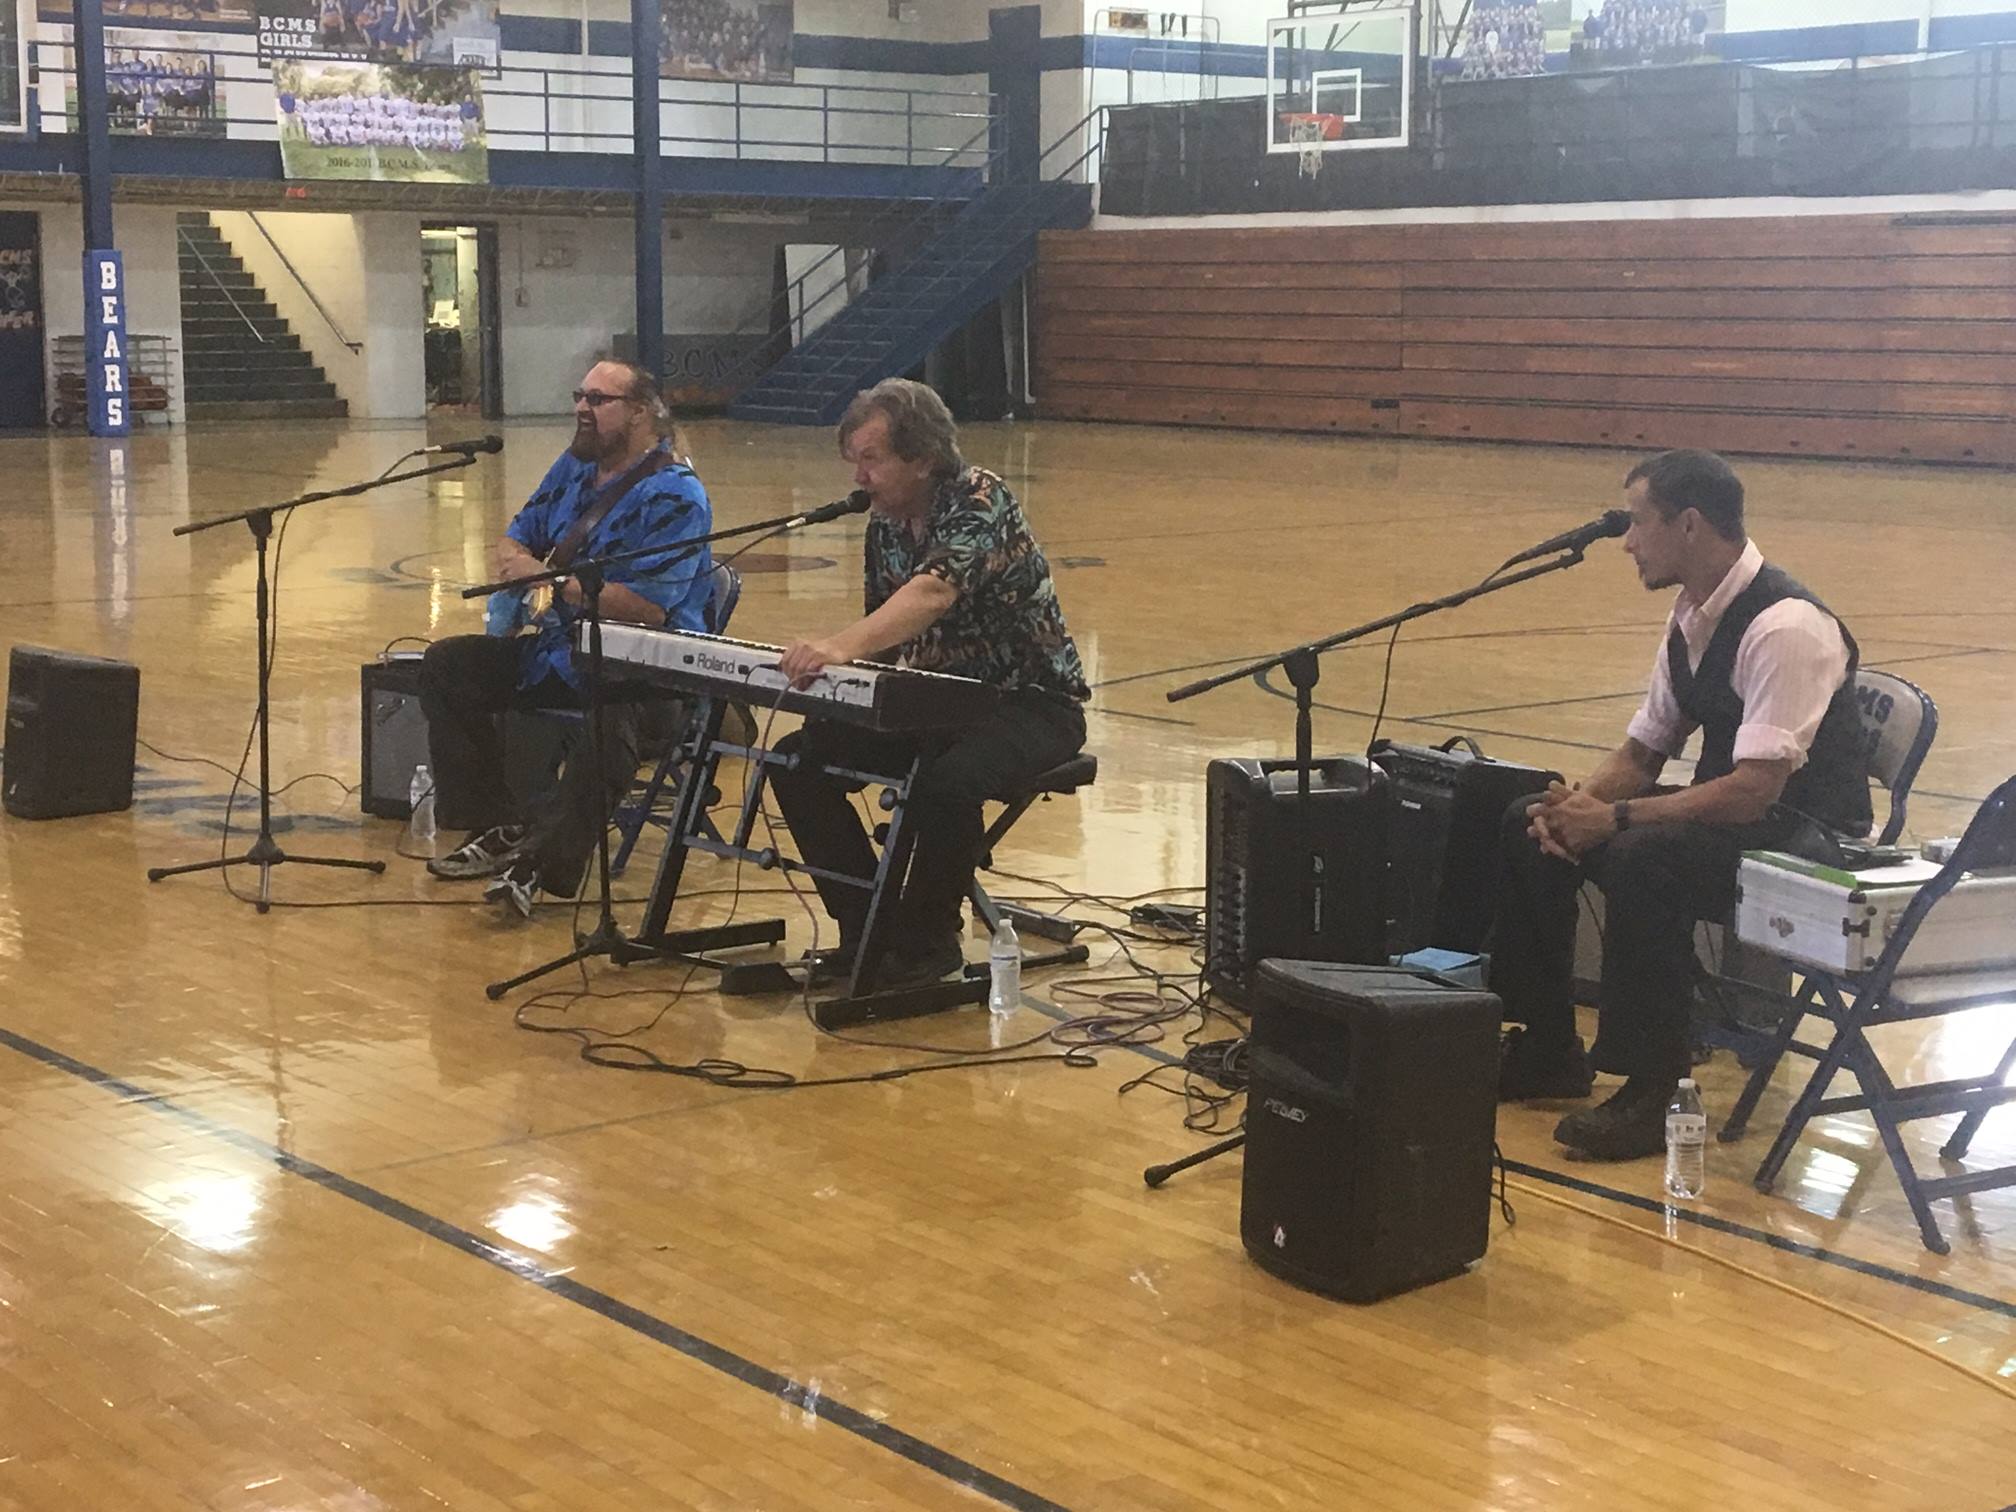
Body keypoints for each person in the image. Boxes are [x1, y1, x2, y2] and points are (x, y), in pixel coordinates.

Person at [1492, 449, 1872, 1159]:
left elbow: (1756, 789)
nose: (1628, 542)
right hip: (1735, 820)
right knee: (1527, 821)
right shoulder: (1692, 615)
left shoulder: (1786, 626)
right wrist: (1577, 809)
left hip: (1807, 843)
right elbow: (1642, 755)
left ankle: (1655, 1089)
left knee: (1644, 857)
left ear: (1689, 525)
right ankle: (1547, 1047)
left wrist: (1616, 819)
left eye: (1639, 523)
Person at [768, 379, 1089, 988]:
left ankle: (928, 944)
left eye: (872, 459)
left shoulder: (980, 498)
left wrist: (836, 646)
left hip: (1030, 704)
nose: (859, 477)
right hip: (936, 701)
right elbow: (886, 634)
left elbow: (933, 591)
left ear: (922, 457)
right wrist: (840, 694)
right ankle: (866, 929)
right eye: (854, 461)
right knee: (796, 760)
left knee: (946, 785)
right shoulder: (885, 525)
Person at [420, 359, 714, 916]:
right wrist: (521, 561)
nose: (582, 407)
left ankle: (541, 864)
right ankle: (500, 825)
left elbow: (648, 608)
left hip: (647, 669)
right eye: (580, 395)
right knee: (448, 665)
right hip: (561, 652)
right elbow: (516, 537)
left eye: (598, 400)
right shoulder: (573, 468)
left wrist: (549, 579)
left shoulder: (676, 495)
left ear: (640, 412)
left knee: (612, 721)